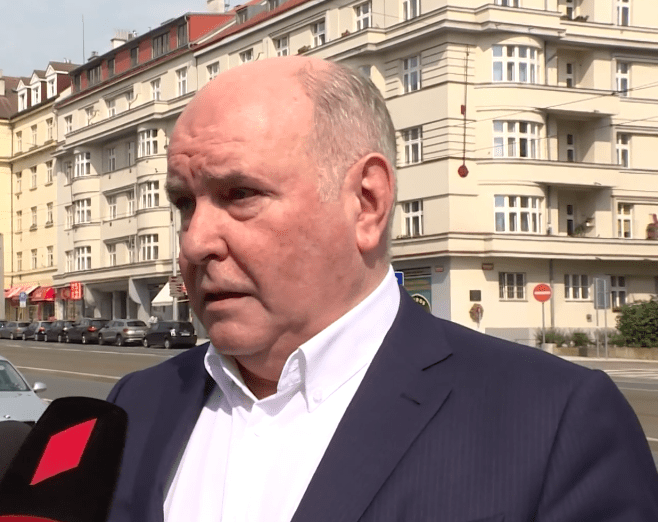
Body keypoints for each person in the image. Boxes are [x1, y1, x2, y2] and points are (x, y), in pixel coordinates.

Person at [105, 56, 658, 521]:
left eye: (240, 194)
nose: (196, 241)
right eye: (185, 204)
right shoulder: (136, 406)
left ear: (366, 203)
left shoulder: (553, 421)